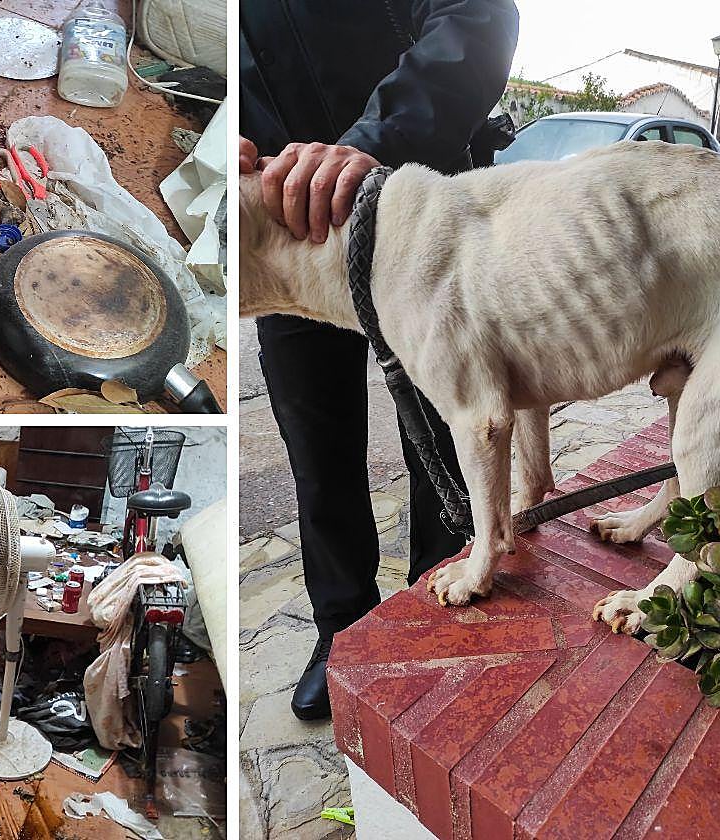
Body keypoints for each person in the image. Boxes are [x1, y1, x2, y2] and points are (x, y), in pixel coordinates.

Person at [240, 0, 520, 720]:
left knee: (447, 433)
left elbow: (478, 17)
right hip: (277, 236)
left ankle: (446, 601)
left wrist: (378, 139)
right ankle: (343, 627)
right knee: (318, 457)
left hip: (411, 210)